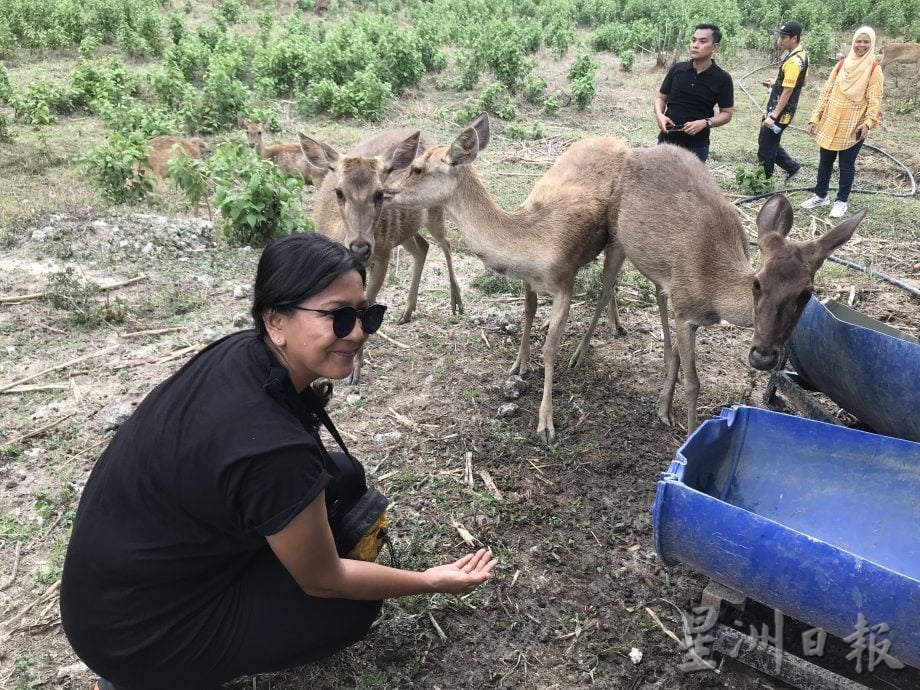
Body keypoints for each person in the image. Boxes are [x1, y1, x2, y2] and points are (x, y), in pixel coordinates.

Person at [60, 233, 498, 690]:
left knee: (342, 478)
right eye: (338, 317)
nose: (358, 333)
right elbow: (324, 580)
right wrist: (428, 581)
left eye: (367, 314)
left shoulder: (242, 353)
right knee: (348, 607)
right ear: (275, 321)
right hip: (138, 637)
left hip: (114, 589)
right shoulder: (273, 451)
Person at [802, 26, 884, 218]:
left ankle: (841, 201)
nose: (861, 45)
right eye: (858, 41)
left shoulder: (874, 70)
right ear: (853, 42)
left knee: (846, 165)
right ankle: (820, 195)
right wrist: (815, 117)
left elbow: (875, 100)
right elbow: (826, 92)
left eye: (866, 42)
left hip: (853, 125)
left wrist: (868, 123)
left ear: (871, 45)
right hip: (831, 121)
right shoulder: (841, 65)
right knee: (825, 161)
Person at [655, 24, 735, 163]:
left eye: (702, 41)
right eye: (693, 40)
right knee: (660, 183)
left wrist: (705, 122)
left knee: (690, 185)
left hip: (697, 147)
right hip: (666, 142)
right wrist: (660, 116)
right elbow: (661, 97)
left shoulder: (722, 78)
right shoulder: (678, 69)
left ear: (715, 47)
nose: (695, 45)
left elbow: (727, 114)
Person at [758, 20, 808, 181]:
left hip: (781, 111)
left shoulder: (794, 61)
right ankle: (792, 167)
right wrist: (776, 84)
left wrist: (773, 116)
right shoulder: (800, 55)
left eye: (784, 37)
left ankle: (764, 183)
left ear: (794, 38)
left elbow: (788, 90)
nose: (780, 40)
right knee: (767, 141)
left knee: (766, 149)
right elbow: (799, 83)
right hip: (783, 108)